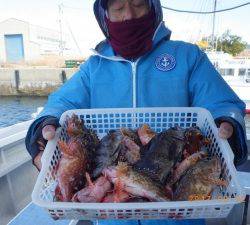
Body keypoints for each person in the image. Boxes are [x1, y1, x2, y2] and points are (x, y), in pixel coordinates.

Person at [25, 0, 247, 224]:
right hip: (113, 217)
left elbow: (222, 101)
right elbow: (61, 103)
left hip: (180, 217)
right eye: (118, 8)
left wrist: (226, 121)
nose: (129, 15)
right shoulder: (93, 67)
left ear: (153, 8)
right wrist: (44, 128)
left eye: (138, 4)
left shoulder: (188, 56)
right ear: (105, 17)